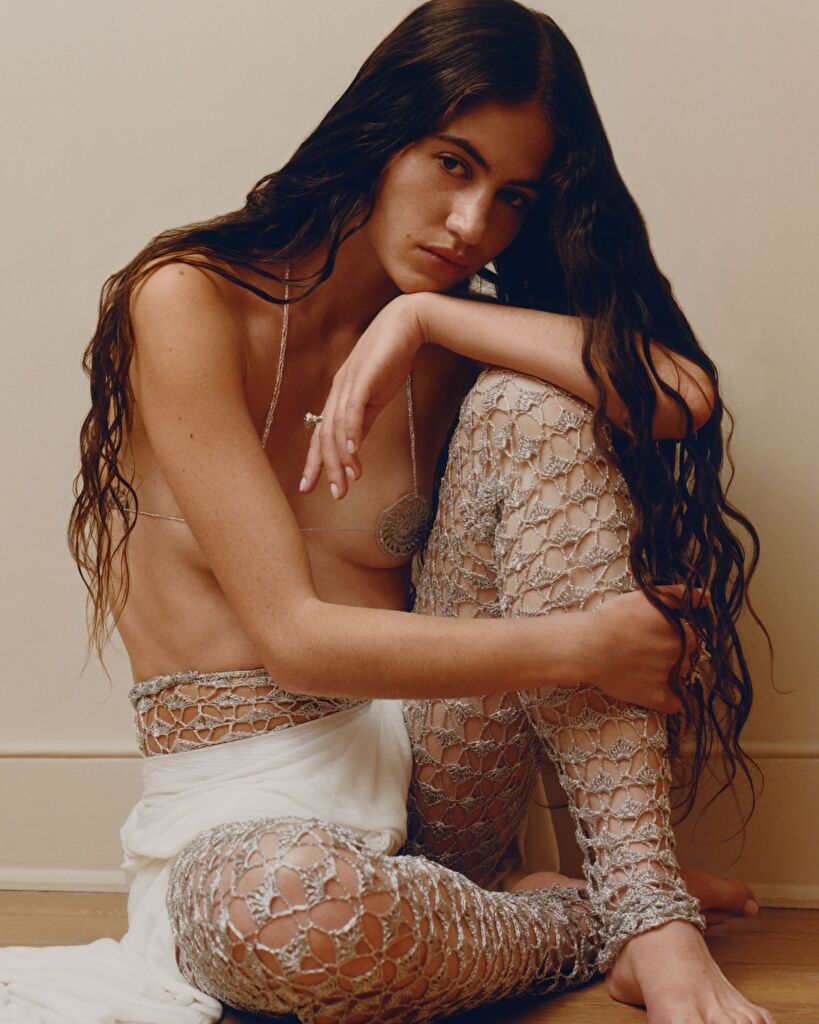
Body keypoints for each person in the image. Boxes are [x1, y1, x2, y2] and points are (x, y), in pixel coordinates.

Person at [0, 1, 770, 1023]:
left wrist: (423, 316)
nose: (473, 225)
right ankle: (604, 918)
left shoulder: (447, 343)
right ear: (381, 131)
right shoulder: (186, 301)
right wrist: (585, 644)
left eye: (513, 197)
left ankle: (643, 913)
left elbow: (681, 394)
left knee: (536, 404)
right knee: (281, 915)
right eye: (452, 164)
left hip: (441, 789)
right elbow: (296, 642)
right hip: (245, 831)